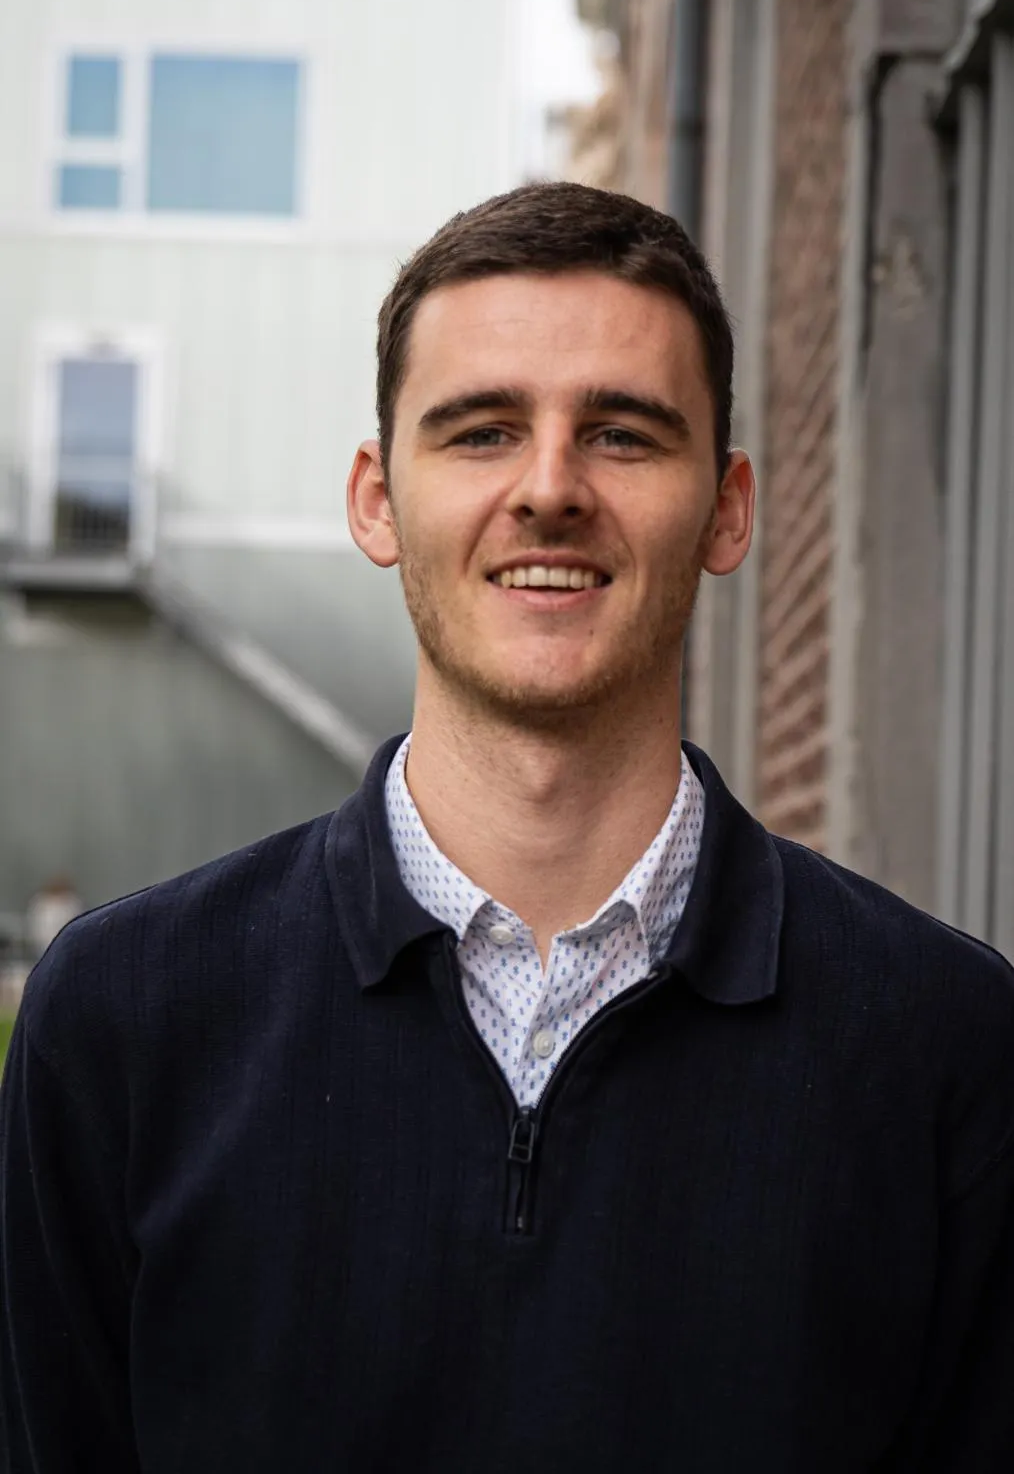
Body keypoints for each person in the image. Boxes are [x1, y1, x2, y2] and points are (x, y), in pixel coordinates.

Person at [2, 183, 1013, 1473]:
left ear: (728, 509)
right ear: (377, 500)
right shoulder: (122, 1022)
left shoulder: (945, 1046)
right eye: (481, 431)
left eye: (623, 435)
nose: (549, 489)